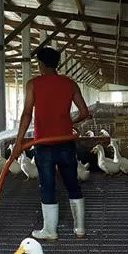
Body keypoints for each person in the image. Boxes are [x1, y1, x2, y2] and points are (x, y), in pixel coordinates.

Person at [12, 46, 90, 240]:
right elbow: (84, 112)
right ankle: (80, 229)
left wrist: (19, 142)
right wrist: (68, 123)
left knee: (47, 186)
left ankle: (50, 231)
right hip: (65, 143)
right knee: (72, 184)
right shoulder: (70, 84)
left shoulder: (33, 84)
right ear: (57, 63)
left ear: (40, 64)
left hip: (44, 145)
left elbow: (27, 114)